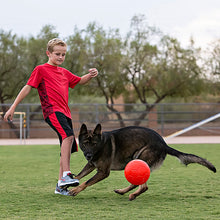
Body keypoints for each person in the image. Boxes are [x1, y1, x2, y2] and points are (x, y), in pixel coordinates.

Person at [4, 38, 98, 196]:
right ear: (48, 53)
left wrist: (91, 75)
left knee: (66, 144)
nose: (61, 57)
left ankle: (60, 186)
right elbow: (27, 88)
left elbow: (80, 81)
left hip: (65, 113)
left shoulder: (64, 72)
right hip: (52, 111)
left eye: (63, 54)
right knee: (68, 137)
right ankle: (66, 175)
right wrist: (13, 106)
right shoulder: (41, 69)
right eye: (57, 54)